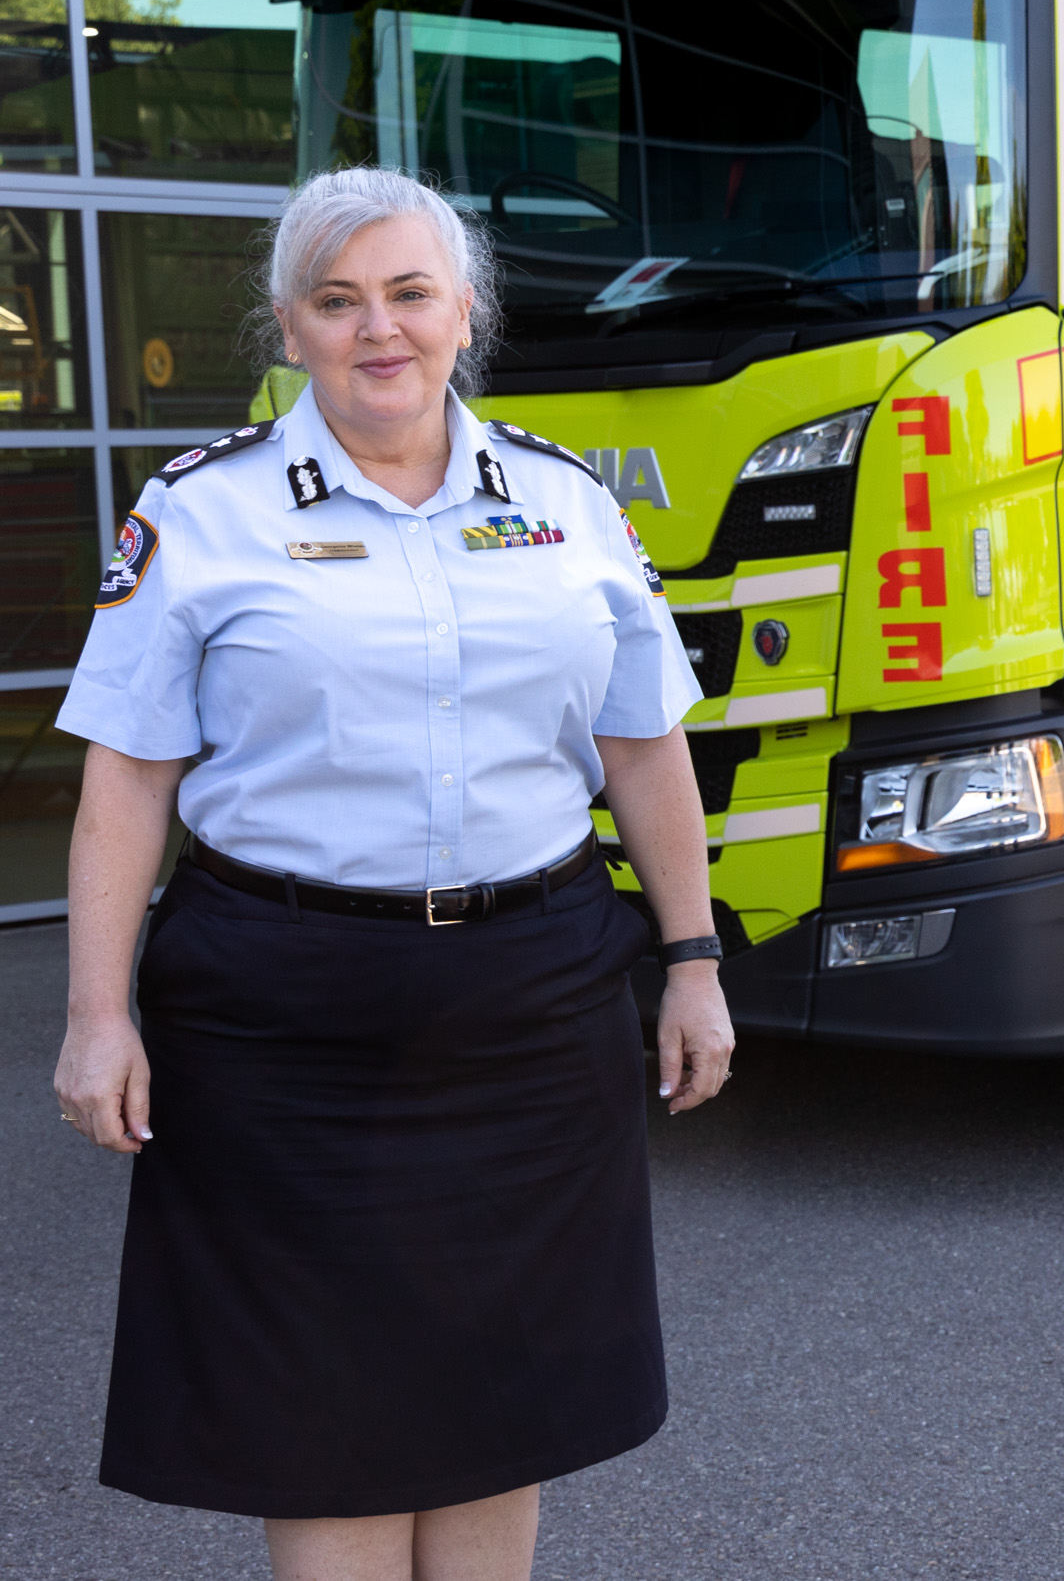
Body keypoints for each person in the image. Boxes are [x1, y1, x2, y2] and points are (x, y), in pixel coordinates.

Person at [49, 166, 734, 1581]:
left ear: (465, 309)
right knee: (322, 1413)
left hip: (531, 1004)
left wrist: (693, 959)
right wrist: (96, 1013)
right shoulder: (201, 513)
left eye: (411, 293)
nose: (381, 329)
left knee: (507, 1395)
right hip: (282, 1017)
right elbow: (126, 776)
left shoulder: (567, 506)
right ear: (287, 326)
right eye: (339, 300)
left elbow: (644, 745)